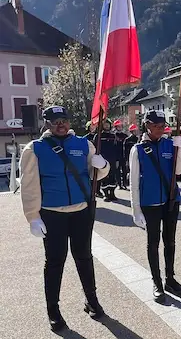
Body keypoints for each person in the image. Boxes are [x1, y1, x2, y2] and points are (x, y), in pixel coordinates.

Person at [20, 106, 110, 331]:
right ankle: (53, 310)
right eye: (55, 120)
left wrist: (104, 166)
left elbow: (95, 173)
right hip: (52, 215)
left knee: (84, 258)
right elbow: (29, 186)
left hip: (81, 212)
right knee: (54, 263)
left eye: (64, 119)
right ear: (47, 124)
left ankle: (92, 301)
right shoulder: (35, 149)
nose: (60, 124)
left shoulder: (83, 144)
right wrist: (33, 217)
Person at [129, 110, 181, 303]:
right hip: (150, 202)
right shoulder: (137, 149)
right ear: (147, 126)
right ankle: (157, 282)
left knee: (170, 241)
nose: (161, 129)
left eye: (163, 126)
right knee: (153, 243)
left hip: (171, 200)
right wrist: (135, 210)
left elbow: (178, 171)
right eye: (157, 126)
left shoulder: (170, 144)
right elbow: (134, 182)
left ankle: (170, 278)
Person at [95, 119, 118, 202]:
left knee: (112, 177)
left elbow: (117, 148)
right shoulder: (98, 136)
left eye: (108, 124)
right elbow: (95, 149)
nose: (107, 126)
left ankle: (112, 193)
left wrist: (117, 159)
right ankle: (106, 194)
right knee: (104, 177)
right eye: (105, 124)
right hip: (102, 159)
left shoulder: (113, 136)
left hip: (112, 159)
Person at [113, 120, 128, 190]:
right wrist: (115, 158)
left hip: (124, 156)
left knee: (125, 170)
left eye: (120, 126)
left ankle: (124, 184)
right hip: (117, 157)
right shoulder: (113, 136)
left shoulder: (125, 136)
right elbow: (113, 148)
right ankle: (119, 184)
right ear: (116, 127)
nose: (120, 127)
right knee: (117, 171)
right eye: (118, 126)